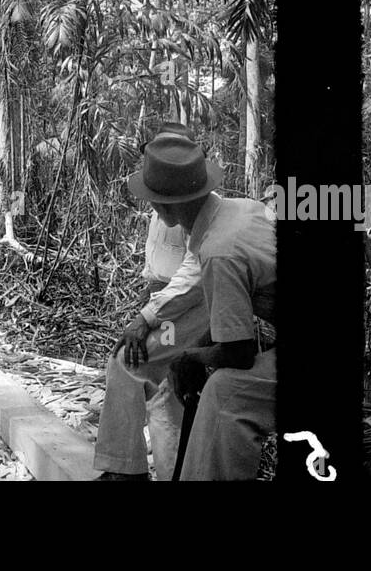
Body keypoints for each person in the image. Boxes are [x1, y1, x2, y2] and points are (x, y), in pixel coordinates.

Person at [127, 128, 276, 481]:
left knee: (224, 397)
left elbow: (238, 352)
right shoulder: (242, 210)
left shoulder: (218, 250)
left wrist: (189, 357)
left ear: (164, 206)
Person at [94, 123, 210, 482]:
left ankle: (125, 470)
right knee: (162, 389)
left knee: (128, 362)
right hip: (166, 302)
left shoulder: (199, 215)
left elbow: (193, 274)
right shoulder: (160, 211)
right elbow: (156, 263)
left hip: (190, 310)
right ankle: (166, 471)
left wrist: (149, 315)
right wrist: (148, 299)